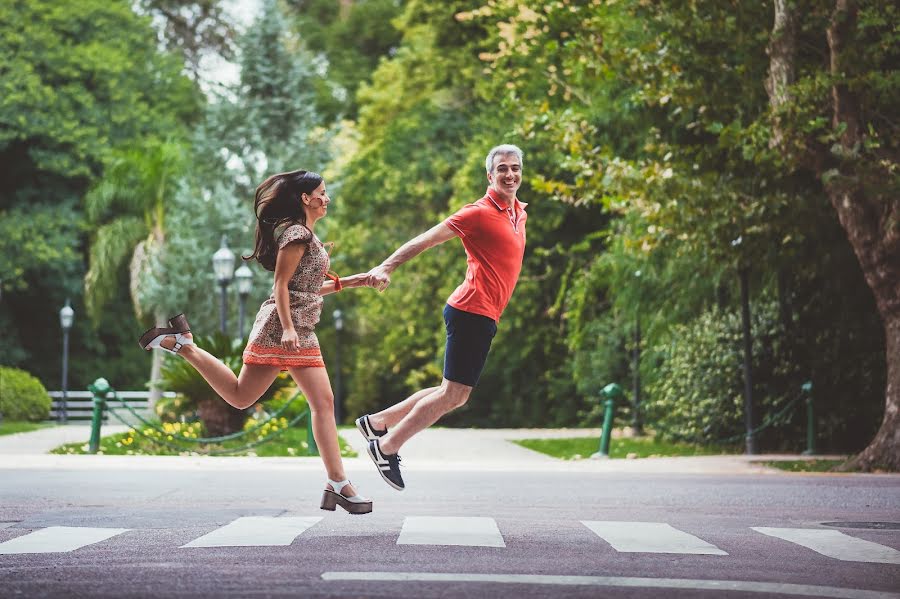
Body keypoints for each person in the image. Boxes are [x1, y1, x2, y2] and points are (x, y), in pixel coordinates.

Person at [139, 169, 374, 514]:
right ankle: (184, 345)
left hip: (300, 329)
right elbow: (280, 285)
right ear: (305, 198)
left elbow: (304, 288)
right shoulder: (296, 234)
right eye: (321, 193)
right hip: (284, 329)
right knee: (251, 397)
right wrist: (289, 329)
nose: (327, 199)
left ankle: (337, 482)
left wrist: (356, 281)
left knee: (303, 401)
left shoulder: (309, 236)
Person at [357, 144, 528, 491]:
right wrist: (387, 266)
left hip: (483, 314)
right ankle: (386, 447)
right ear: (489, 175)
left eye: (515, 168)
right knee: (454, 395)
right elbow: (427, 239)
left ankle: (377, 423)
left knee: (450, 391)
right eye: (502, 169)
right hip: (470, 311)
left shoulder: (519, 212)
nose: (509, 174)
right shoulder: (477, 213)